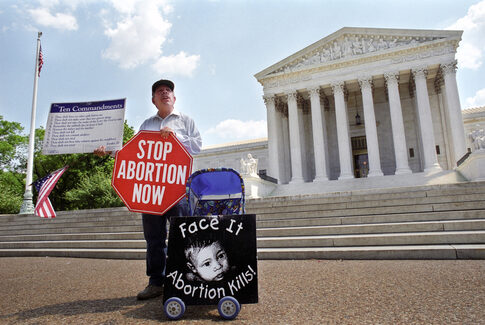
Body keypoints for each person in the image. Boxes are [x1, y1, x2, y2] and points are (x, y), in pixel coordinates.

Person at [94, 79, 202, 300]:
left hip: (178, 190)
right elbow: (132, 152)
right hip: (151, 192)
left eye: (168, 90)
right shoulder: (146, 124)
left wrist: (175, 137)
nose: (165, 93)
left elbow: (198, 146)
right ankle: (156, 282)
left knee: (183, 235)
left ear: (174, 97)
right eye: (160, 91)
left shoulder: (186, 121)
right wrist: (108, 151)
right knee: (154, 239)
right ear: (153, 99)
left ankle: (187, 280)